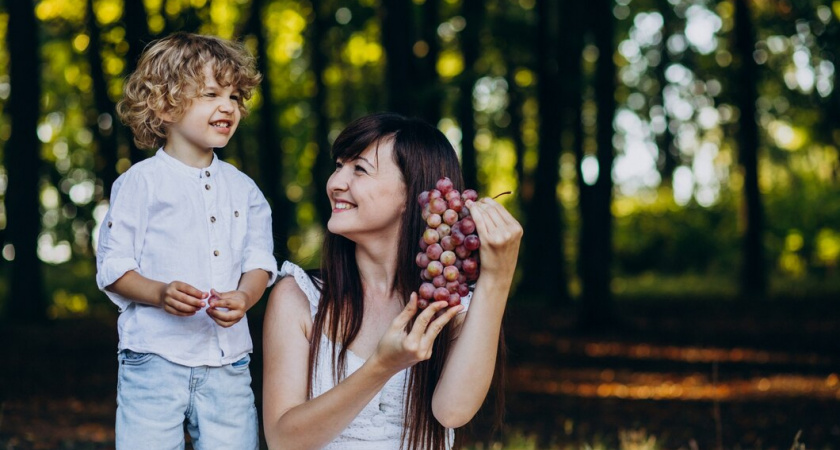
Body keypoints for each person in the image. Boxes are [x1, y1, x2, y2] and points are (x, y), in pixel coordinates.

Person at [262, 112, 523, 450]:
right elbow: (282, 440)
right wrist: (381, 366)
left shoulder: (450, 301)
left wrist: (497, 279)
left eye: (359, 169)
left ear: (412, 193)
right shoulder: (298, 297)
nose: (335, 182)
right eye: (338, 166)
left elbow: (452, 412)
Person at [95, 32, 277, 449]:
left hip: (228, 362)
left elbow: (259, 261)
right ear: (164, 105)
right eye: (211, 94)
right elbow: (114, 267)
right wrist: (159, 293)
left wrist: (245, 296)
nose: (228, 106)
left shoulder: (245, 189)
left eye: (234, 96)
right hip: (154, 358)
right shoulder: (140, 183)